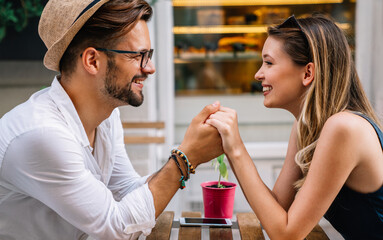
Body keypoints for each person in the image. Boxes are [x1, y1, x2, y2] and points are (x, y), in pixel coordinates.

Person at [0, 0, 222, 239]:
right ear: (92, 61)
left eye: (149, 55)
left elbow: (125, 192)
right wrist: (185, 157)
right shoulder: (43, 135)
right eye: (139, 55)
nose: (150, 68)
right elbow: (118, 228)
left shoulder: (106, 116)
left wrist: (187, 154)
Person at [206, 14, 383, 240]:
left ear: (308, 73)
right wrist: (229, 144)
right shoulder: (306, 127)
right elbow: (276, 207)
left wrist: (236, 148)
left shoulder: (345, 128)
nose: (258, 74)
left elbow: (287, 234)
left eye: (269, 63)